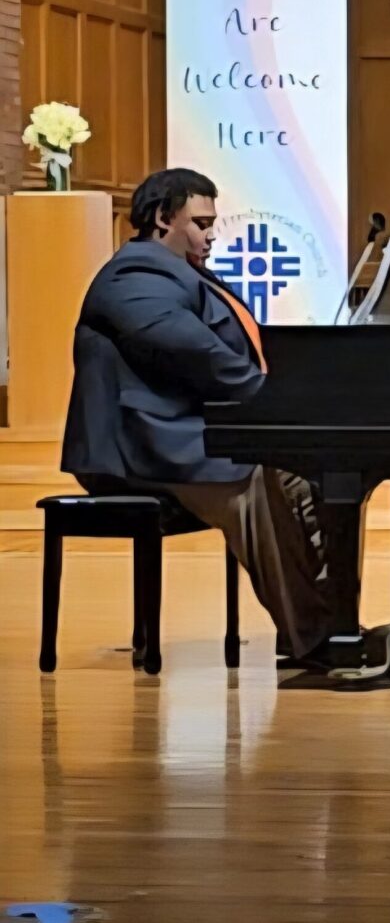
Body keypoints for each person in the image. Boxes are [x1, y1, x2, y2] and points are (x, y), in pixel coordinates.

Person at [62, 167, 333, 662]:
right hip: (146, 447)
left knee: (315, 475)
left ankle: (336, 624)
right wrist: (276, 399)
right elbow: (195, 352)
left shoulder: (177, 272)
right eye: (201, 224)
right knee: (258, 480)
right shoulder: (133, 275)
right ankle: (311, 640)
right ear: (163, 218)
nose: (211, 236)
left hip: (187, 435)